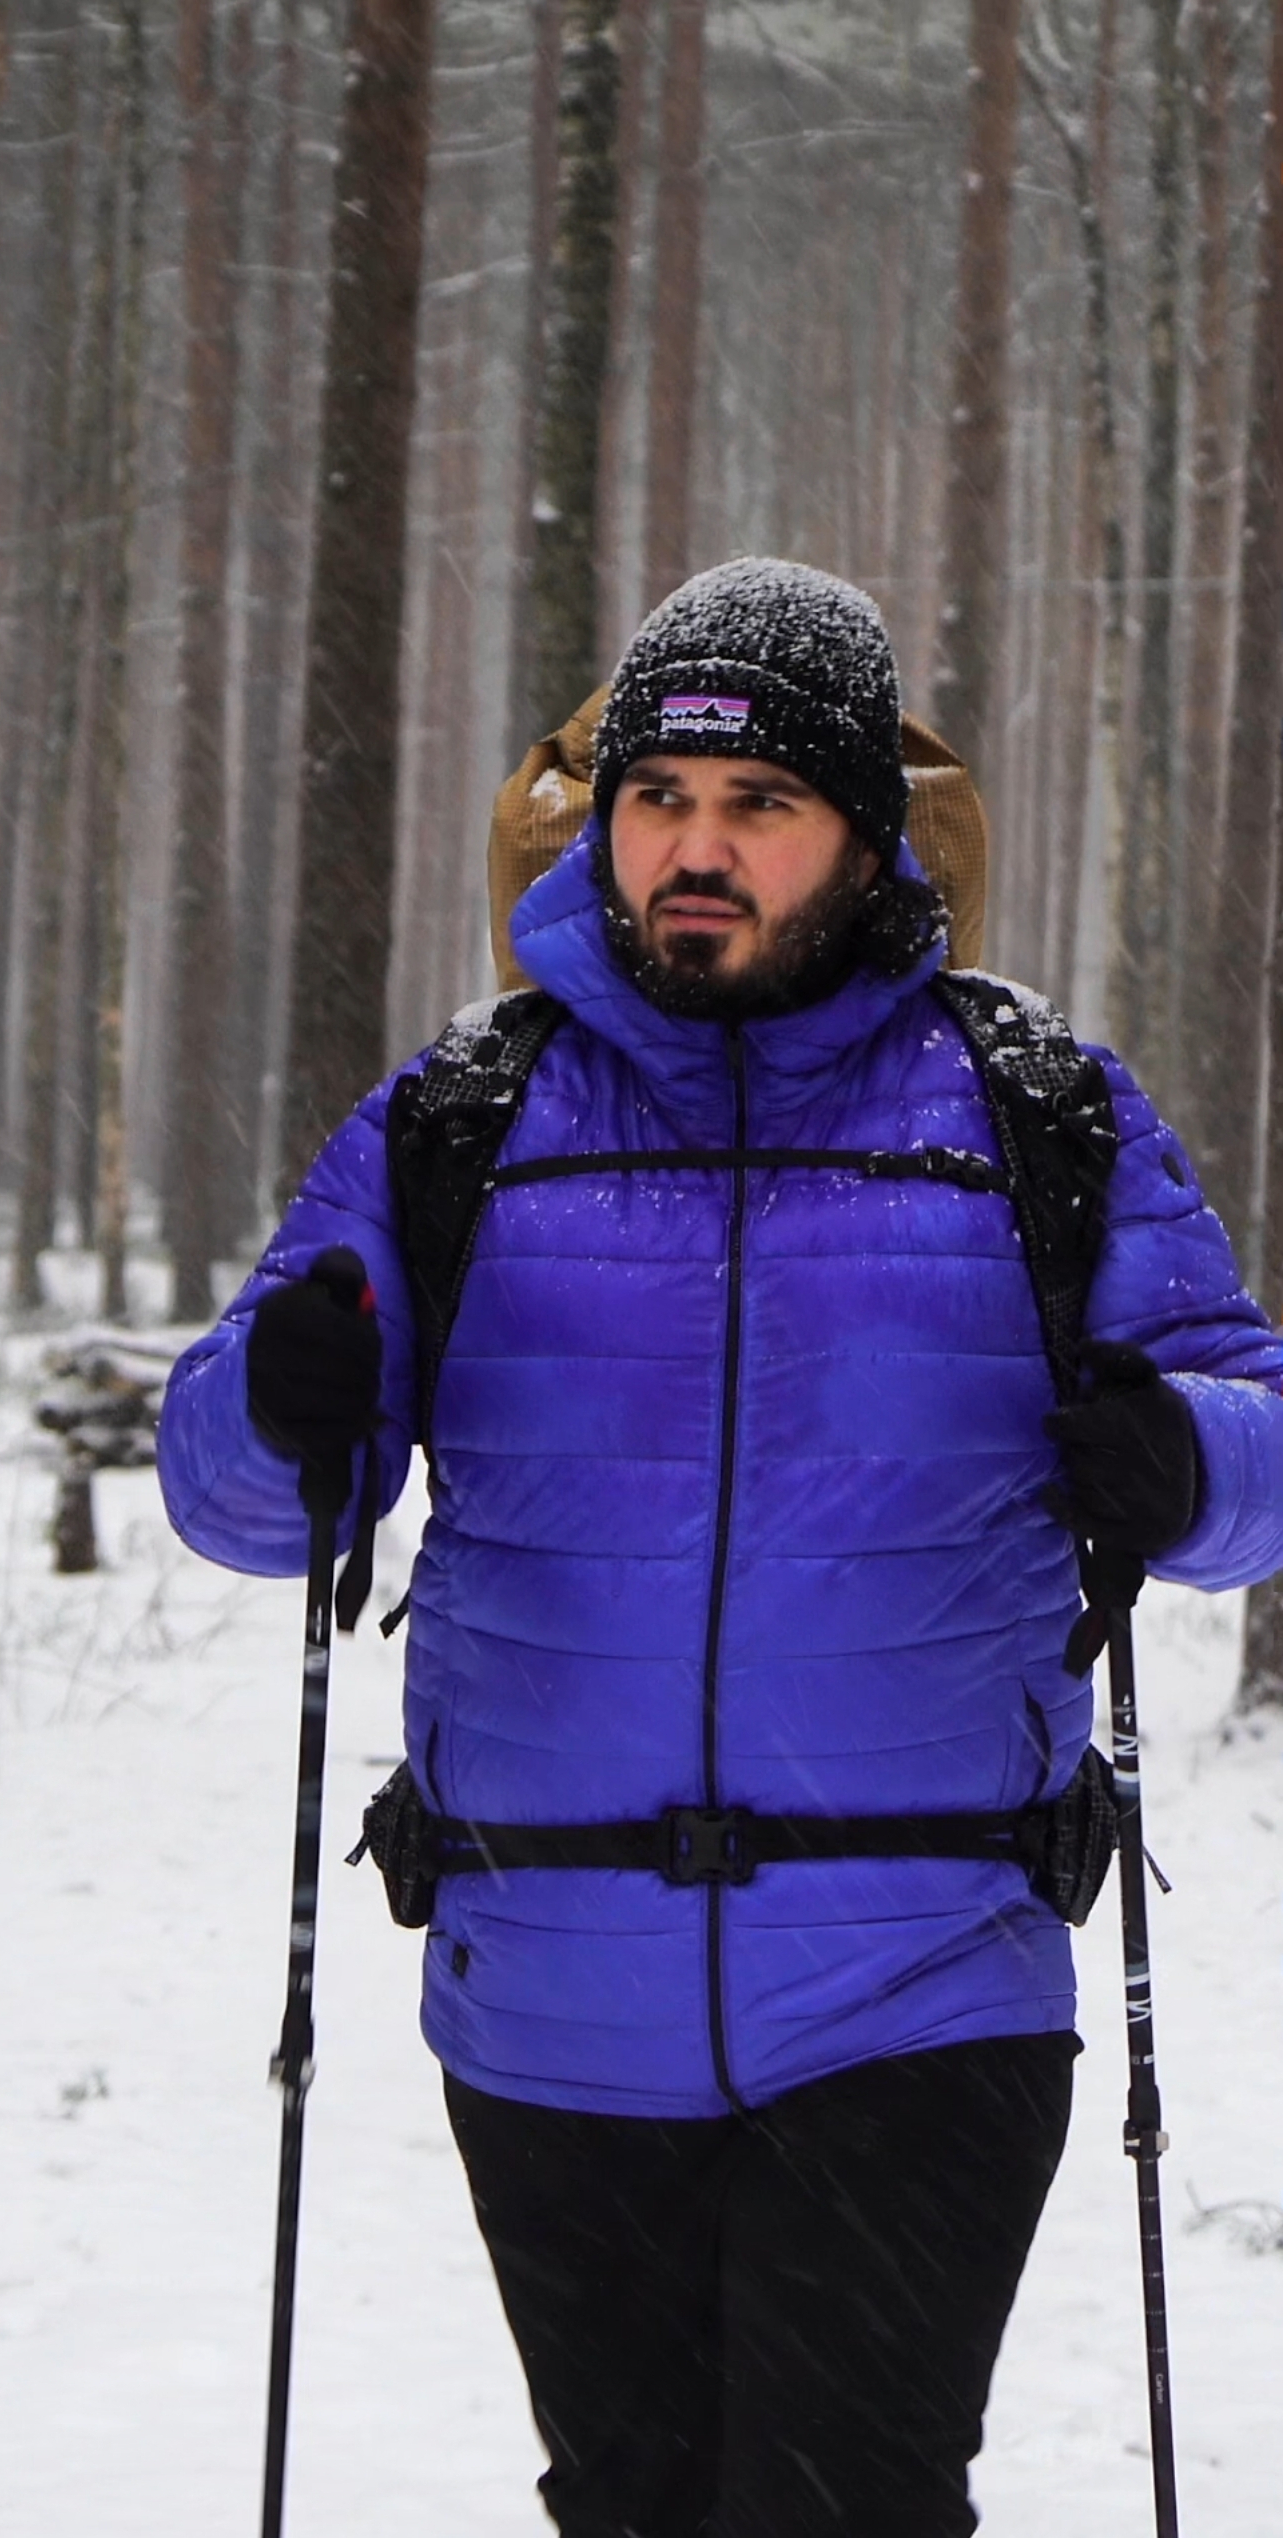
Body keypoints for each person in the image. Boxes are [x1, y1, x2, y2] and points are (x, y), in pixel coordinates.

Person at [157, 559, 1283, 2538]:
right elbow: (242, 1504)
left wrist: (1184, 1464)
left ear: (867, 836)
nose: (698, 851)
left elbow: (1262, 1449)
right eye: (661, 804)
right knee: (637, 2499)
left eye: (760, 807)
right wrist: (276, 1409)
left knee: (843, 2504)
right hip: (552, 1985)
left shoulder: (1039, 1117)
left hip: (924, 1967)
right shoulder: (461, 1118)